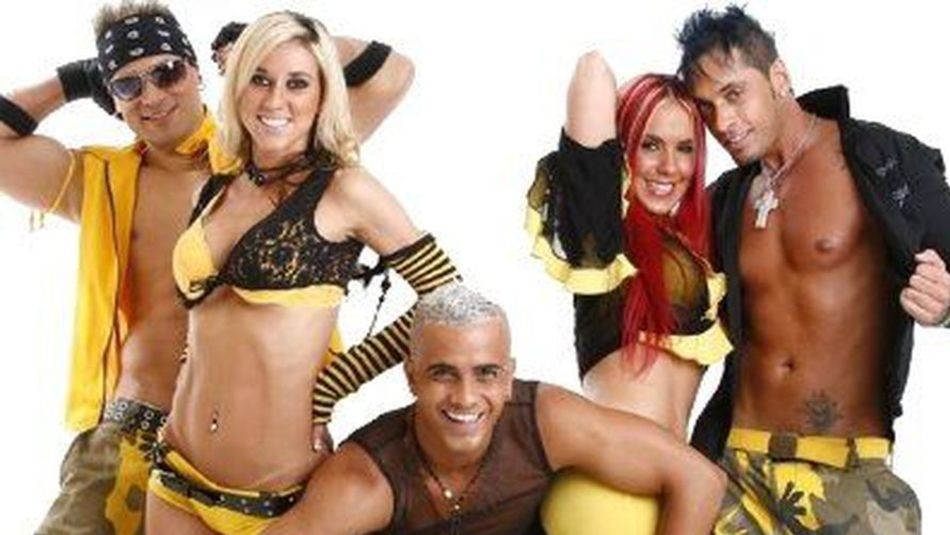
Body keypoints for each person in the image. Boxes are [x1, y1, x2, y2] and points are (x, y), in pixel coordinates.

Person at [0, 1, 413, 533]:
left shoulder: (280, 158)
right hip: (132, 432)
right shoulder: (96, 180)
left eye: (167, 72)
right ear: (112, 99)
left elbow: (392, 73)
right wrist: (75, 79)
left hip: (262, 447)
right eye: (127, 85)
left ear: (198, 72)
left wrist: (269, 44)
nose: (152, 95)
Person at [145, 12, 460, 534]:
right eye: (260, 78)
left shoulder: (344, 190)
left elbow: (449, 300)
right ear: (237, 85)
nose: (275, 100)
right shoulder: (220, 186)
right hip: (174, 478)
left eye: (297, 83)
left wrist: (338, 380)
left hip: (275, 500)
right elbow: (208, 325)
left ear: (323, 95)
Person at [676, 6, 950, 534]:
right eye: (707, 108)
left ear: (778, 76)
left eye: (734, 94)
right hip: (733, 471)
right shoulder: (724, 201)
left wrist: (946, 308)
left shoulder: (882, 160)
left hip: (849, 475)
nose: (723, 123)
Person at [260, 283, 725, 535]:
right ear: (411, 377)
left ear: (508, 377)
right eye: (443, 373)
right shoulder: (366, 479)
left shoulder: (544, 421)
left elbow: (699, 479)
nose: (465, 397)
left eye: (486, 373)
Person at [524, 54, 731, 534]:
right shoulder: (603, 238)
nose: (669, 166)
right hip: (604, 499)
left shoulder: (697, 252)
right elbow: (592, 71)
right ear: (623, 149)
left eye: (684, 148)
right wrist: (678, 84)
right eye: (649, 144)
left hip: (673, 494)